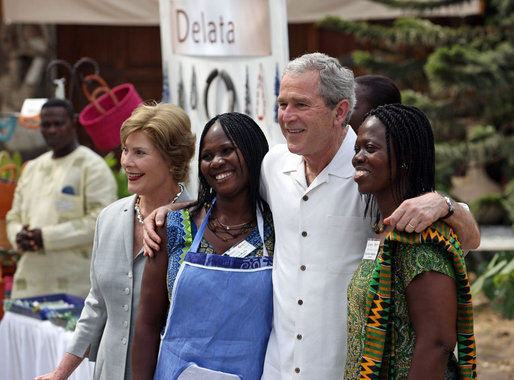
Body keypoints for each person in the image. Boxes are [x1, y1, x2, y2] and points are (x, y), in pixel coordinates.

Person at [143, 53, 480, 380]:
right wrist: (171, 210)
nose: (287, 116)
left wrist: (446, 205)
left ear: (340, 112)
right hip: (278, 367)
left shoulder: (372, 170)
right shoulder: (273, 165)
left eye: (301, 105)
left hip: (348, 368)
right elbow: (228, 198)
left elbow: (466, 239)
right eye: (282, 104)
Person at [34, 102, 196, 380]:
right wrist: (61, 373)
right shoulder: (109, 218)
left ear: (172, 159)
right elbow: (97, 304)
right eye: (125, 150)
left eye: (139, 153)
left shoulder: (197, 221)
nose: (126, 162)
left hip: (168, 372)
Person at [132, 112, 274, 380]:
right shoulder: (170, 227)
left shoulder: (277, 230)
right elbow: (148, 324)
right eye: (207, 156)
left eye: (227, 151)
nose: (217, 162)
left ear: (253, 152)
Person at [346, 103, 477, 379]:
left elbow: (438, 342)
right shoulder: (384, 229)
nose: (358, 157)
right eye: (357, 149)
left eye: (370, 148)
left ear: (405, 158)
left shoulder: (420, 239)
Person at [6, 98, 117, 298]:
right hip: (29, 283)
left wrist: (46, 237)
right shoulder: (32, 168)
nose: (52, 130)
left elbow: (101, 222)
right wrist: (19, 237)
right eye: (46, 125)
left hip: (74, 287)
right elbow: (14, 216)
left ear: (72, 125)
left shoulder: (92, 167)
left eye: (58, 123)